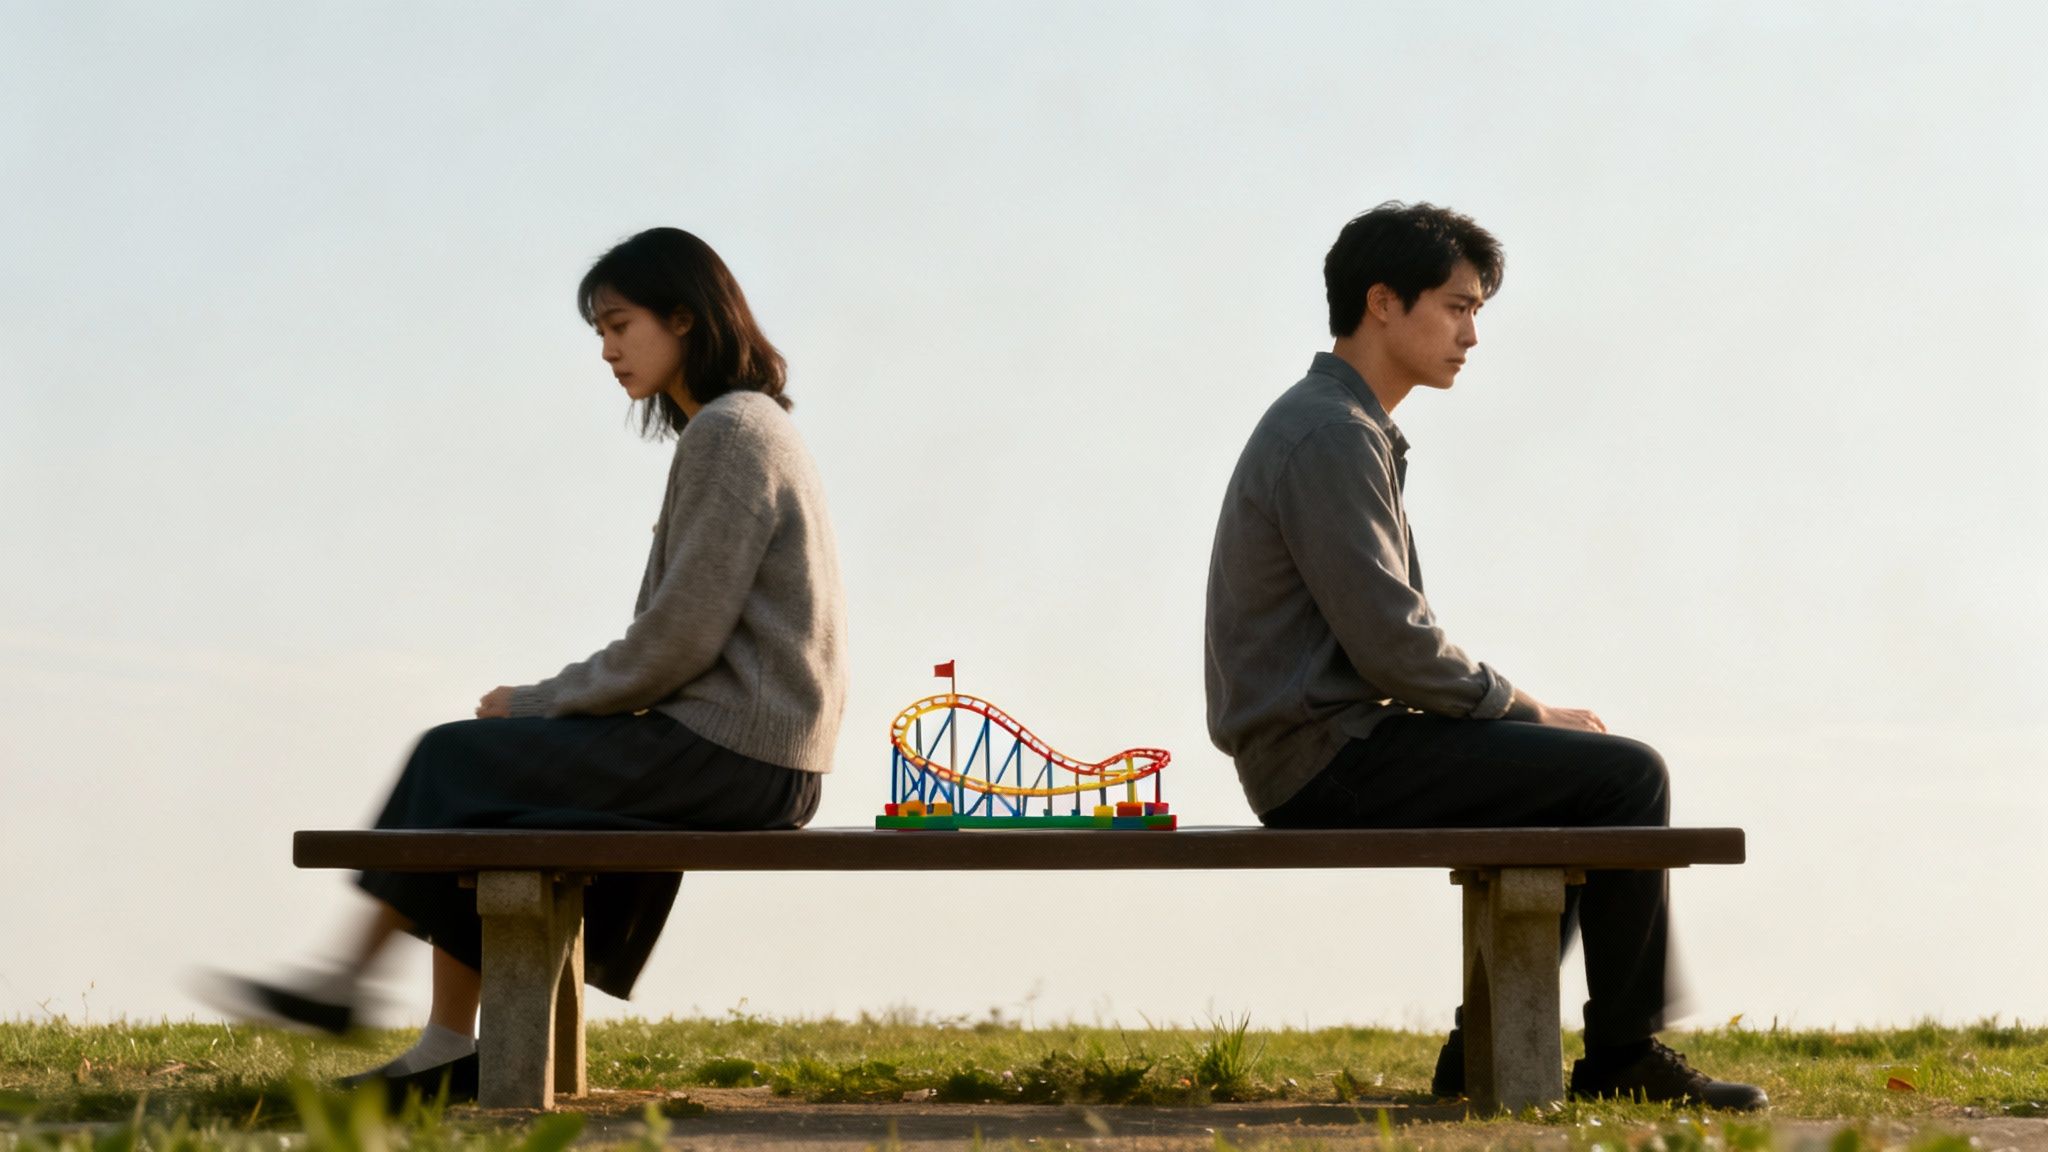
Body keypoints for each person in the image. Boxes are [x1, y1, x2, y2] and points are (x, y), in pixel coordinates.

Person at [206, 227, 847, 1102]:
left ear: (686, 319)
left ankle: (352, 989)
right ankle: (425, 1037)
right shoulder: (742, 429)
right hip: (747, 756)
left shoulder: (731, 435)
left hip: (734, 758)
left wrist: (539, 702)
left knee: (455, 756)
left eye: (620, 325)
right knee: (487, 782)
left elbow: (676, 643)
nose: (609, 350)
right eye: (600, 334)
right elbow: (682, 642)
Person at [1202, 202, 1764, 1111]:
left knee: (1586, 780)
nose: (1471, 334)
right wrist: (1527, 708)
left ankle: (1488, 1054)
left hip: (1330, 746)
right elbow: (1393, 646)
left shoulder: (1344, 425)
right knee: (1622, 778)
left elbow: (1390, 646)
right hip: (1328, 760)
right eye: (1457, 308)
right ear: (1382, 302)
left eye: (1478, 313)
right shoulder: (1331, 435)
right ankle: (1620, 1056)